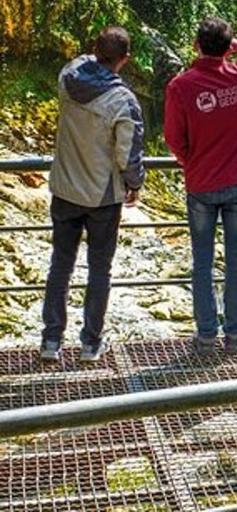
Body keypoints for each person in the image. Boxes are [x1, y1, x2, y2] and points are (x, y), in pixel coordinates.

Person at [164, 17, 237, 356]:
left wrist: (192, 163)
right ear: (228, 47)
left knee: (201, 262)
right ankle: (234, 335)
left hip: (201, 184)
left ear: (195, 44)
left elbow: (173, 138)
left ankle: (205, 336)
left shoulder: (181, 86)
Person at [42, 26, 145, 363]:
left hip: (65, 189)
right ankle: (90, 343)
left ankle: (51, 341)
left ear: (94, 50)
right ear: (125, 59)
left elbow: (83, 60)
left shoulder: (68, 77)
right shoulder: (122, 100)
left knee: (60, 265)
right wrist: (135, 183)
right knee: (100, 269)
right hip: (102, 197)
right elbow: (127, 154)